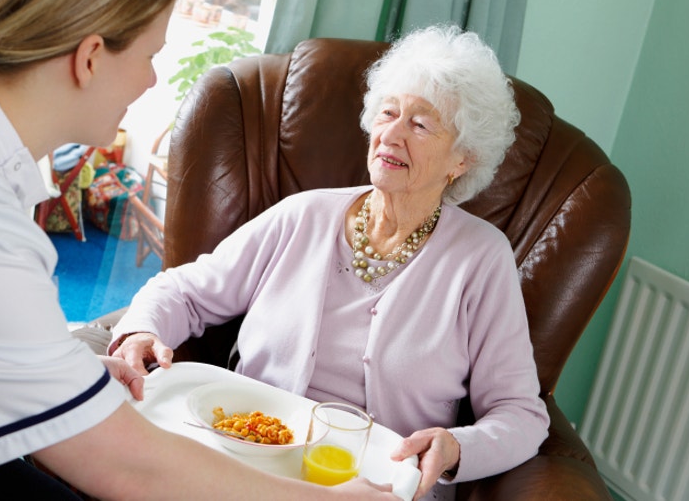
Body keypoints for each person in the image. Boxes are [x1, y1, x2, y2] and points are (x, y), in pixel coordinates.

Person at [0, 0, 399, 500]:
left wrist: (48, 370)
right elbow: (127, 469)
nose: (152, 81)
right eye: (150, 56)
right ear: (90, 56)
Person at [109, 25, 551, 500]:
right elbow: (185, 290)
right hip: (246, 461)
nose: (391, 135)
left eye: (420, 125)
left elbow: (519, 414)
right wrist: (141, 331)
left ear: (462, 159)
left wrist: (456, 447)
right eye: (387, 113)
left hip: (378, 488)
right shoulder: (304, 214)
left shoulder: (481, 259)